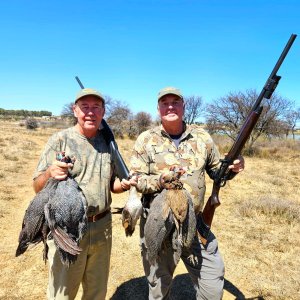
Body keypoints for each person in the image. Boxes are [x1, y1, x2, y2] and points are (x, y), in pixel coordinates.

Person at [129, 87, 245, 300]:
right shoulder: (145, 139)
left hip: (195, 223)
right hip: (158, 225)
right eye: (165, 103)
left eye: (175, 102)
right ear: (158, 108)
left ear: (184, 106)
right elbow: (136, 180)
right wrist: (160, 181)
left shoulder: (202, 137)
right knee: (158, 287)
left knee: (212, 280)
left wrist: (232, 169)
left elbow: (217, 173)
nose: (170, 106)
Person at [33, 88, 131, 300]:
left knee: (97, 292)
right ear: (75, 110)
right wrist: (50, 172)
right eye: (84, 107)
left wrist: (123, 185)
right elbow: (37, 186)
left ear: (103, 111)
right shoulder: (60, 140)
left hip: (102, 226)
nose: (90, 112)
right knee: (63, 292)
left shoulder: (108, 144)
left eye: (96, 107)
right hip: (67, 229)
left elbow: (111, 184)